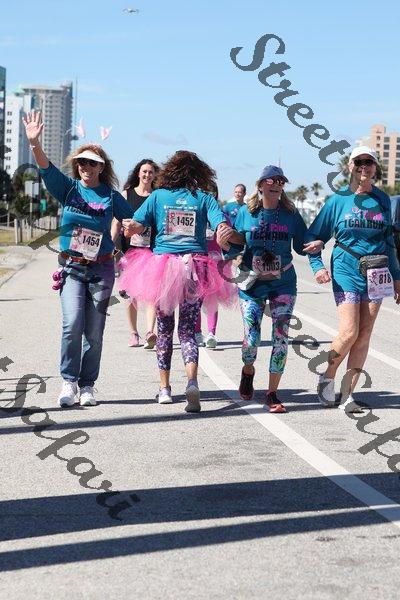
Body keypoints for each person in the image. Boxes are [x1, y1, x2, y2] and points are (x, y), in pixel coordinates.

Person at [23, 110, 135, 408]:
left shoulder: (111, 196)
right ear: (77, 165)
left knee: (94, 332)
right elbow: (45, 167)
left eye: (93, 163)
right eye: (82, 162)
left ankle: (87, 386)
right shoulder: (69, 189)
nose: (87, 166)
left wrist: (133, 226)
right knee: (72, 323)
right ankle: (69, 381)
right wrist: (34, 142)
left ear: (101, 167)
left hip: (102, 268)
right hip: (72, 267)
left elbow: (134, 221)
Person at [119, 150, 238, 413]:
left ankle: (164, 389)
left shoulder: (158, 196)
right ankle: (192, 382)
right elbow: (221, 226)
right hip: (195, 267)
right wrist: (227, 236)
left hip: (164, 268)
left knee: (164, 330)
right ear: (199, 173)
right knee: (187, 331)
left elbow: (137, 225)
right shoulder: (204, 198)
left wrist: (129, 228)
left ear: (170, 170)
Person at [219, 165, 321, 413]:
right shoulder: (246, 213)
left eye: (280, 181)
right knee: (252, 339)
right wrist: (225, 243)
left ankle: (272, 393)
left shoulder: (291, 215)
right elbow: (236, 246)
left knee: (281, 337)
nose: (276, 185)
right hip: (252, 284)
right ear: (260, 185)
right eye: (270, 181)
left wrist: (315, 247)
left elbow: (303, 245)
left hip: (283, 283)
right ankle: (248, 371)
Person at [306, 146, 400, 412]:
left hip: (377, 272)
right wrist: (317, 266)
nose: (364, 167)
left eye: (369, 162)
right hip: (346, 269)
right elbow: (313, 237)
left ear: (375, 167)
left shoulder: (383, 200)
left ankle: (348, 394)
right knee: (349, 331)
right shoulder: (338, 200)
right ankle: (328, 376)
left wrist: (397, 277)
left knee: (365, 334)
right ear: (350, 166)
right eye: (359, 162)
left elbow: (389, 242)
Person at [111, 159, 159, 349]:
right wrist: (111, 243)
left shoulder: (157, 196)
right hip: (129, 251)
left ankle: (150, 332)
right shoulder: (126, 194)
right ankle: (133, 333)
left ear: (154, 175)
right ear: (138, 173)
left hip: (151, 251)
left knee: (153, 292)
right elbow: (116, 222)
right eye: (144, 171)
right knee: (131, 294)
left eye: (151, 172)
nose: (147, 175)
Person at [194, 224, 221, 349]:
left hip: (213, 259)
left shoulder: (218, 217)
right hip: (197, 257)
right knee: (195, 298)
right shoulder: (196, 214)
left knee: (212, 298)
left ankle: (211, 333)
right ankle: (197, 333)